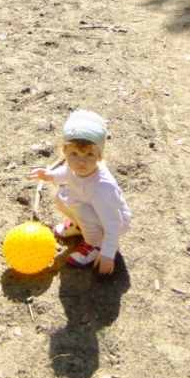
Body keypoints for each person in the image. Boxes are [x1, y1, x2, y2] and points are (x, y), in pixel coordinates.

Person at [30, 110, 132, 275]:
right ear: (65, 152)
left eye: (89, 154)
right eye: (74, 154)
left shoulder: (103, 187)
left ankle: (94, 244)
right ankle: (80, 226)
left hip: (111, 220)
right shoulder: (75, 167)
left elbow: (114, 224)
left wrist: (108, 253)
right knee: (61, 197)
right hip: (88, 206)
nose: (81, 161)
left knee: (82, 210)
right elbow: (66, 172)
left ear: (100, 156)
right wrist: (49, 175)